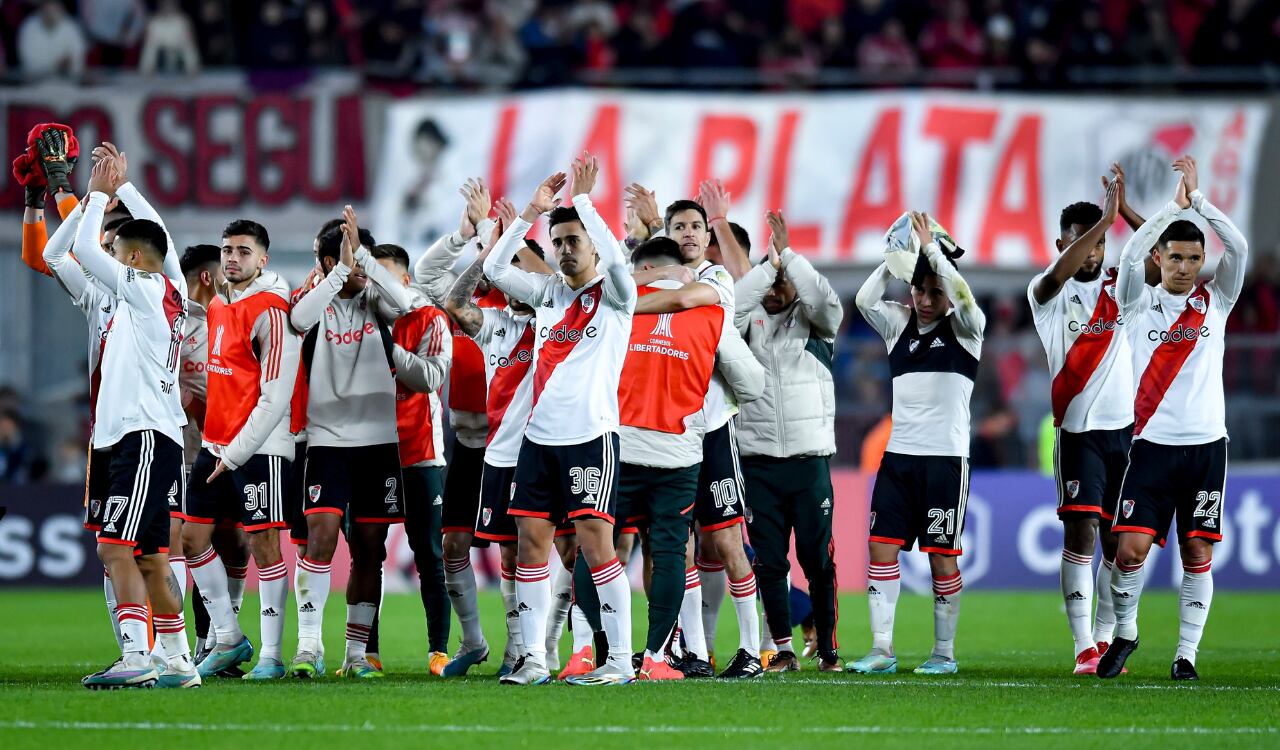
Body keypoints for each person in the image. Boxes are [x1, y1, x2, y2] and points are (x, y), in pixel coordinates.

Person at [578, 236, 763, 681]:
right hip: (679, 451)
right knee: (670, 551)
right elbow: (754, 384)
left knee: (597, 547)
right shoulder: (711, 313)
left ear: (639, 267)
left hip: (616, 446)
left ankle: (606, 650)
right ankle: (658, 656)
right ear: (683, 267)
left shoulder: (613, 306)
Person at [482, 155, 636, 686]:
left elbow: (617, 265)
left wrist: (588, 204)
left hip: (591, 437)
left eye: (576, 240)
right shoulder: (548, 295)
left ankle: (617, 661)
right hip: (537, 442)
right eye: (560, 241)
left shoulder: (617, 299)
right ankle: (533, 660)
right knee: (530, 546)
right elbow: (495, 271)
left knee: (596, 548)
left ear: (593, 241)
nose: (567, 249)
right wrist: (529, 212)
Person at [1099, 155, 1247, 681]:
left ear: (1203, 258)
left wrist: (1201, 203)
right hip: (1152, 447)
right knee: (1129, 550)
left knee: (1197, 550)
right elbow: (1133, 250)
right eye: (1175, 257)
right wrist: (1172, 207)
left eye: (1193, 256)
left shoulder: (1217, 302)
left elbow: (1241, 247)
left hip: (1207, 446)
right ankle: (1126, 631)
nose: (1184, 266)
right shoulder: (1136, 302)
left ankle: (1186, 654)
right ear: (1160, 259)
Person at [73, 155, 196, 689]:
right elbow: (161, 235)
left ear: (136, 257)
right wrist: (126, 187)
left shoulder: (143, 291)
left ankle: (136, 657)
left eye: (118, 252)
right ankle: (178, 659)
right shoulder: (171, 292)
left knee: (112, 548)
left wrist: (98, 195)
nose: (110, 256)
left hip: (140, 436)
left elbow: (80, 251)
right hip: (149, 434)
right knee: (148, 555)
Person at [628, 189, 760, 676]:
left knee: (725, 540)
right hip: (660, 430)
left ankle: (751, 650)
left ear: (708, 238)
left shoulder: (716, 278)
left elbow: (682, 299)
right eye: (677, 227)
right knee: (671, 545)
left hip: (710, 426)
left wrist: (637, 295)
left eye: (694, 227)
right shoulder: (659, 270)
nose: (687, 234)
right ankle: (693, 651)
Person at [850, 211, 984, 676]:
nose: (925, 300)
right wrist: (896, 257)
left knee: (942, 558)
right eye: (919, 289)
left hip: (945, 460)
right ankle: (882, 649)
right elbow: (865, 299)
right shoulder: (897, 326)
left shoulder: (968, 330)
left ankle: (944, 653)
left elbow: (964, 299)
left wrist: (933, 255)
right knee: (881, 548)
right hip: (899, 459)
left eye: (935, 291)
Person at [288, 206, 411, 679]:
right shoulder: (314, 299)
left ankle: (358, 655)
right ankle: (309, 646)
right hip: (325, 440)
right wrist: (338, 271)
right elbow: (298, 319)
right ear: (323, 264)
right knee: (319, 537)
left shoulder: (379, 300)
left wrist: (361, 255)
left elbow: (404, 303)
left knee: (369, 546)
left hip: (378, 441)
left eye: (359, 259)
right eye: (343, 260)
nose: (356, 269)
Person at [1027, 177, 1141, 674]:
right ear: (1062, 245)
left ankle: (1103, 636)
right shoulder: (1046, 293)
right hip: (1077, 433)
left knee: (1118, 544)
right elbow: (1060, 273)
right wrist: (1101, 223)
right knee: (1082, 533)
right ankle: (1082, 647)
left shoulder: (1124, 285)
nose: (1091, 251)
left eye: (1098, 244)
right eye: (1079, 241)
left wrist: (1126, 213)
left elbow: (1163, 250)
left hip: (1127, 434)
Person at [180, 219, 299, 680]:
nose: (232, 258)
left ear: (262, 259)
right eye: (228, 250)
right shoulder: (216, 307)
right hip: (215, 444)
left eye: (244, 251)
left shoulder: (271, 310)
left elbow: (275, 397)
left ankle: (271, 655)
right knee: (192, 538)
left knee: (264, 544)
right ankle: (228, 637)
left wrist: (234, 454)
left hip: (261, 447)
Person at [439, 205, 550, 677]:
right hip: (498, 451)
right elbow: (453, 302)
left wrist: (522, 237)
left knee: (548, 549)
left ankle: (547, 647)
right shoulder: (495, 324)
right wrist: (487, 257)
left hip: (545, 449)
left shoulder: (554, 319)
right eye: (512, 270)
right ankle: (517, 648)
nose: (515, 279)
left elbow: (564, 285)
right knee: (508, 551)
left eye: (523, 269)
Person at [735, 211, 844, 673]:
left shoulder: (818, 324)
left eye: (784, 282)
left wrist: (790, 257)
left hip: (809, 460)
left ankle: (829, 647)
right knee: (770, 564)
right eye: (771, 282)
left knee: (817, 560)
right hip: (758, 462)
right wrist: (768, 267)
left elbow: (825, 298)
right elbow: (732, 306)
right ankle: (781, 649)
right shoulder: (744, 323)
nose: (777, 289)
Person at [371, 243, 454, 675]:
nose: (374, 284)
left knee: (428, 554)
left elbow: (429, 378)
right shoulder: (361, 317)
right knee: (368, 554)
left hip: (420, 452)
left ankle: (438, 650)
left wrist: (386, 346)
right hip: (368, 451)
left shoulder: (430, 319)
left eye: (383, 275)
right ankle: (366, 653)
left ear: (404, 281)